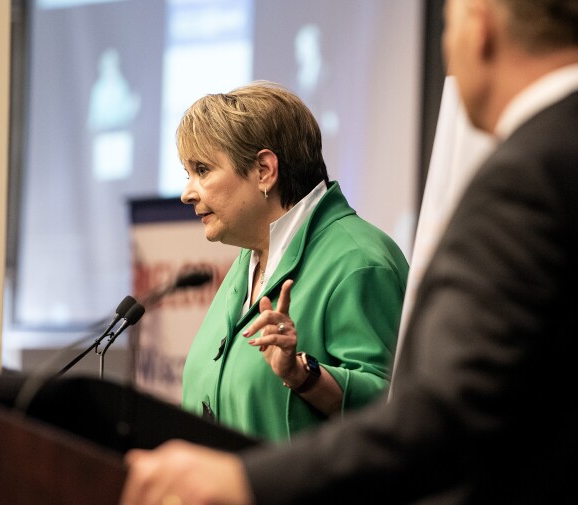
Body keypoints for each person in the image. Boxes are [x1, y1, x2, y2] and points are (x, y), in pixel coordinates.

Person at [118, 1, 578, 505]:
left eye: (446, 23)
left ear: (481, 23)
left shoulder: (529, 184)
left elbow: (437, 417)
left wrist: (243, 483)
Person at [175, 81, 409, 442]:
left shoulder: (360, 261)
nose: (187, 193)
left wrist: (303, 375)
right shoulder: (251, 259)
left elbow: (398, 410)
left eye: (202, 170)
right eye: (187, 174)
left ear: (264, 170)